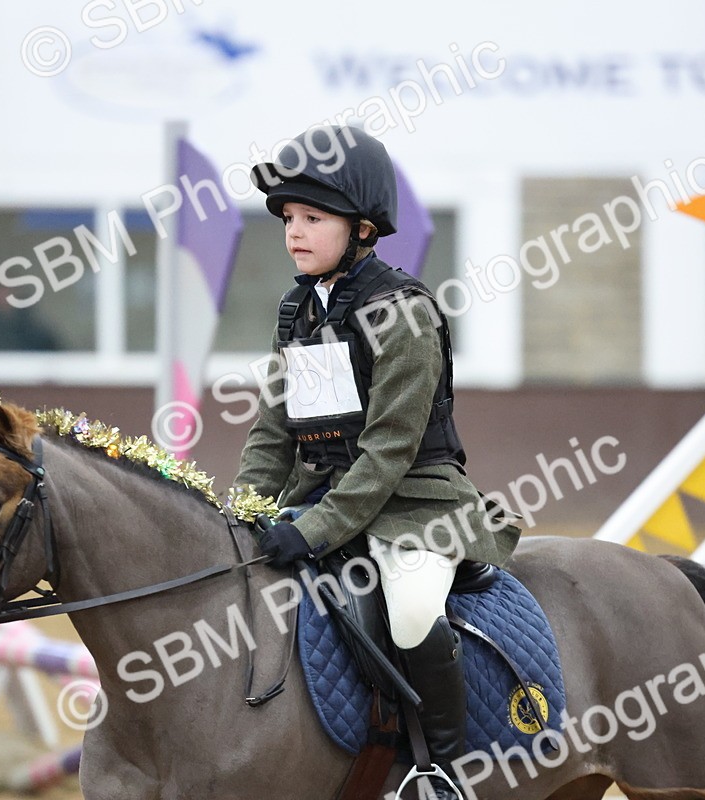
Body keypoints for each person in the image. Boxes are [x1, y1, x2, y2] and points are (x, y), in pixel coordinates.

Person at [233, 125, 520, 798]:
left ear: (363, 229)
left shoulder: (403, 314)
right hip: (328, 495)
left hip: (416, 503)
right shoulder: (300, 308)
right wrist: (244, 507)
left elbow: (388, 451)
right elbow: (275, 428)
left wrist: (311, 529)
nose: (294, 232)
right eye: (288, 219)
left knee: (415, 607)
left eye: (313, 218)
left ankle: (442, 770)